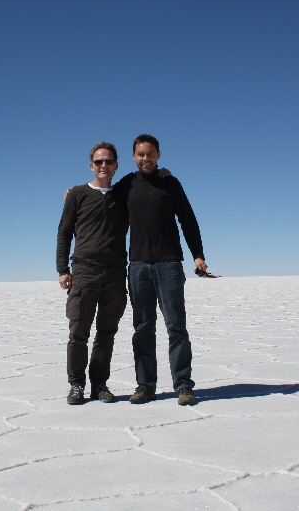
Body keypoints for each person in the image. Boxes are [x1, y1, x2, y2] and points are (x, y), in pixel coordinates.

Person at [113, 134, 208, 406]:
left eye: (151, 154)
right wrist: (76, 193)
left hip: (169, 264)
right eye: (141, 154)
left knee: (176, 327)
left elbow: (188, 219)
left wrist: (198, 255)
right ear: (134, 157)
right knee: (142, 328)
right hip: (139, 265)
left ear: (158, 155)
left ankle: (183, 386)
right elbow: (103, 198)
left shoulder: (170, 183)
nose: (146, 159)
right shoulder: (126, 185)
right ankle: (145, 385)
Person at [56, 141, 128, 405]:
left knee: (106, 332)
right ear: (91, 165)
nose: (103, 166)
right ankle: (76, 385)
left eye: (108, 161)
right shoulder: (77, 194)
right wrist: (63, 269)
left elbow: (146, 183)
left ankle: (99, 384)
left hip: (115, 272)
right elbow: (64, 232)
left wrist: (162, 173)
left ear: (116, 165)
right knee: (78, 333)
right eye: (98, 162)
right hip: (84, 271)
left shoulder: (124, 194)